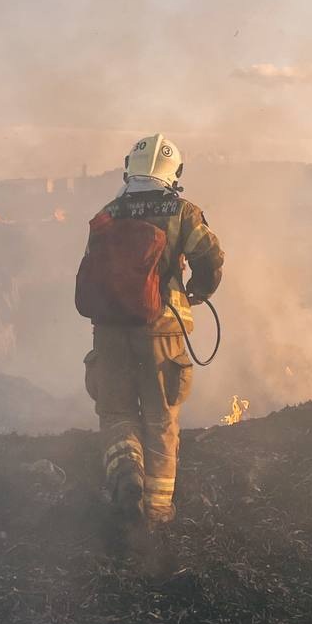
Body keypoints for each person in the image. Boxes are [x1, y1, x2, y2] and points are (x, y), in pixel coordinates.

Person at [76, 134, 224, 526]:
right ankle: (156, 513)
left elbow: (92, 268)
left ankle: (126, 472)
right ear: (174, 172)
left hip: (109, 333)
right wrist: (198, 290)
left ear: (131, 168)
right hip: (162, 332)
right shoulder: (182, 212)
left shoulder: (108, 213)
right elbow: (210, 255)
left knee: (116, 413)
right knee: (161, 419)